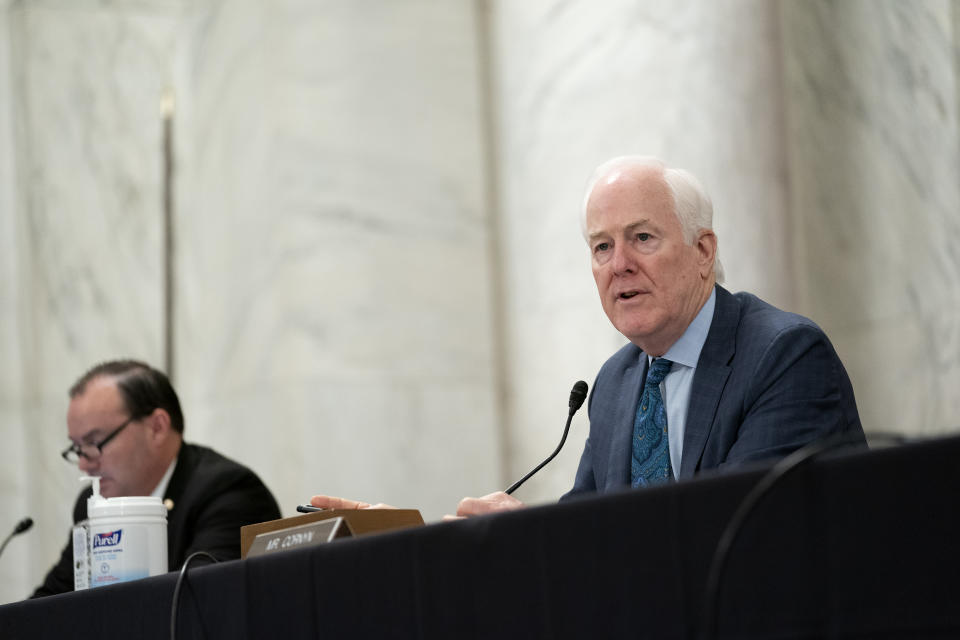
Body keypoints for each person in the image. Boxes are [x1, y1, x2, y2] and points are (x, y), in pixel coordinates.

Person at [311, 155, 866, 517]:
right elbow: (584, 534)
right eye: (602, 247)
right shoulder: (619, 382)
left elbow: (737, 535)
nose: (618, 265)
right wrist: (408, 533)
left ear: (703, 252)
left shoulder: (783, 356)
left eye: (642, 238)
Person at [32, 359, 281, 597]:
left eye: (94, 442)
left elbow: (197, 603)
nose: (84, 463)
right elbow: (49, 603)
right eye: (77, 448)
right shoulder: (93, 505)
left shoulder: (228, 492)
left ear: (157, 428)